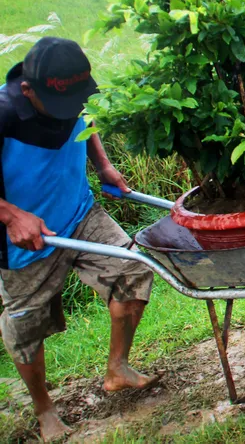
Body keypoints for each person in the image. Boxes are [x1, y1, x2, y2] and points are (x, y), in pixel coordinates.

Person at [0, 37, 156, 441]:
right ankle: (44, 411)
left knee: (134, 268)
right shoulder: (4, 114)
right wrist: (11, 214)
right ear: (28, 89)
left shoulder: (70, 91)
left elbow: (85, 118)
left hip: (79, 212)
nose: (67, 112)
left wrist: (103, 165)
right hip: (24, 241)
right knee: (26, 326)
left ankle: (117, 369)